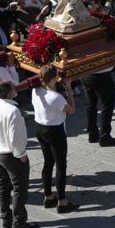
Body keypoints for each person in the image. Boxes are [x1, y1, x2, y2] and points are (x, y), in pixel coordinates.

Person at [0, 80, 35, 228]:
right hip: (10, 155)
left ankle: (6, 218)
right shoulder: (13, 111)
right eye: (13, 87)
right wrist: (21, 154)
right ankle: (19, 223)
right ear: (9, 93)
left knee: (3, 186)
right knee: (20, 189)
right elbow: (16, 137)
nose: (15, 88)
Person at [33, 64, 78, 212]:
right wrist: (69, 89)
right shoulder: (56, 97)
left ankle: (48, 196)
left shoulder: (36, 91)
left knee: (48, 162)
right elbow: (71, 110)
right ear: (54, 78)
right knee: (60, 165)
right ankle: (62, 201)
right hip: (54, 131)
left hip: (39, 128)